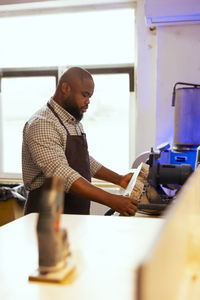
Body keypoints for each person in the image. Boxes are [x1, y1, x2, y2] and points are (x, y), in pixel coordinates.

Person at [22, 67, 137, 216]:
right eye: (85, 95)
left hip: (73, 215)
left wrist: (119, 179)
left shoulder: (72, 121)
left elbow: (83, 160)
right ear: (66, 88)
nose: (88, 101)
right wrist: (112, 200)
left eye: (90, 96)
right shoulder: (42, 124)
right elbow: (61, 174)